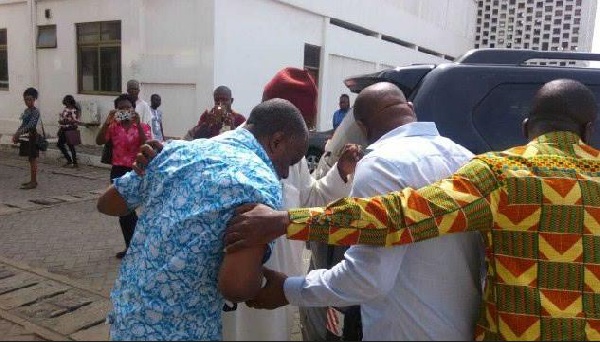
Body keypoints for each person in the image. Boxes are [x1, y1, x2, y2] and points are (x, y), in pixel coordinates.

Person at [224, 79, 600, 341]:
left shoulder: (501, 173)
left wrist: (286, 226)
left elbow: (398, 217)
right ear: (588, 129)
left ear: (526, 126)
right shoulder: (466, 157)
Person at [132, 67, 361, 341]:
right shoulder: (223, 149)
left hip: (278, 283)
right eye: (305, 122)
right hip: (234, 286)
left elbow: (310, 199)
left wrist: (340, 173)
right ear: (281, 129)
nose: (284, 172)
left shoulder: (292, 156)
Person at [245, 82, 487, 340]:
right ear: (410, 108)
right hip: (465, 328)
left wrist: (288, 289)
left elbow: (367, 278)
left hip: (406, 331)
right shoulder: (467, 158)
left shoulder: (381, 165)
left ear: (361, 127)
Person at [96, 99, 310, 341]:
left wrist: (145, 172)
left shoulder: (176, 150)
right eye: (289, 162)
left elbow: (107, 203)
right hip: (182, 331)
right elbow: (236, 287)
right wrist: (267, 287)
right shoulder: (260, 182)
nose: (284, 174)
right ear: (277, 141)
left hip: (127, 319)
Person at [95, 94, 150, 259]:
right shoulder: (113, 127)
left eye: (127, 107)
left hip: (136, 171)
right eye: (121, 108)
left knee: (131, 211)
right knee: (123, 211)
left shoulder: (141, 125)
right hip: (118, 171)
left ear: (133, 109)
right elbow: (99, 141)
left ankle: (137, 246)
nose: (124, 111)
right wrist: (107, 121)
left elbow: (145, 144)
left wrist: (138, 125)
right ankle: (131, 246)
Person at [12, 87, 41, 190]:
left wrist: (19, 132)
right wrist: (17, 133)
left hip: (32, 137)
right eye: (25, 99)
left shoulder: (35, 111)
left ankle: (33, 182)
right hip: (26, 137)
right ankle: (32, 180)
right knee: (30, 159)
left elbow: (31, 125)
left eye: (29, 99)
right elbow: (23, 124)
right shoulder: (26, 111)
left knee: (33, 159)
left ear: (34, 99)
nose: (27, 101)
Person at [56, 95, 81, 168]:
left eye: (66, 101)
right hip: (63, 129)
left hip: (70, 129)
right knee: (60, 144)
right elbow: (63, 117)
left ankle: (74, 162)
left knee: (71, 146)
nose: (65, 103)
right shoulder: (66, 109)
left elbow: (76, 121)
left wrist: (66, 121)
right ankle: (69, 160)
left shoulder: (74, 110)